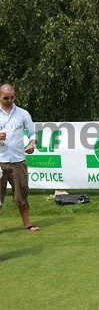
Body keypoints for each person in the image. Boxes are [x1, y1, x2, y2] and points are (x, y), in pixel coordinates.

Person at [0, 83, 38, 232]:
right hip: (0, 160)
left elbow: (32, 133)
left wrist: (32, 143)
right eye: (6, 98)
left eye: (12, 97)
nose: (9, 100)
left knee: (22, 193)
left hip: (18, 160)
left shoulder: (22, 113)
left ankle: (27, 223)